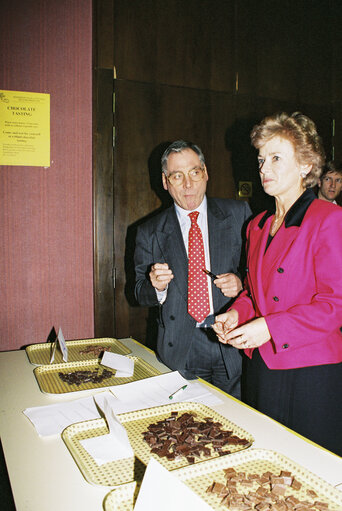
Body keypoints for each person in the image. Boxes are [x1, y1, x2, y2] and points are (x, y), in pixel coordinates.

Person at [213, 112, 342, 455]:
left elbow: (335, 306)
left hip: (311, 374)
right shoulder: (257, 226)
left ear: (305, 165)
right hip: (261, 368)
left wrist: (270, 327)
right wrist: (236, 315)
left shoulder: (329, 219)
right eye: (260, 158)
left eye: (275, 158)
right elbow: (256, 294)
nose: (264, 168)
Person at [134, 140, 252, 398]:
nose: (188, 184)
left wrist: (241, 282)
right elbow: (137, 293)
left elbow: (262, 275)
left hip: (229, 340)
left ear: (206, 173)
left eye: (194, 173)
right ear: (165, 182)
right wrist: (156, 286)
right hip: (180, 348)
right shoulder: (149, 231)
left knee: (235, 421)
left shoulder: (239, 214)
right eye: (177, 176)